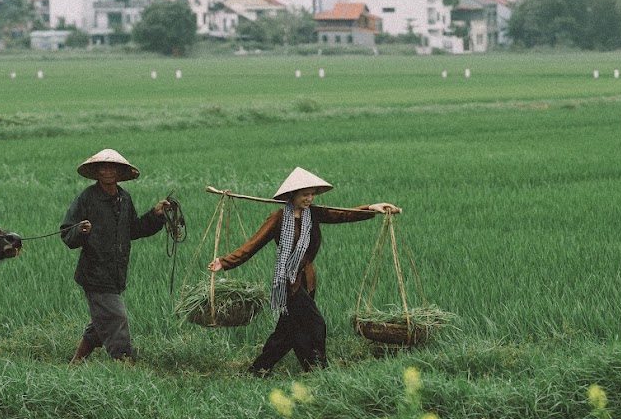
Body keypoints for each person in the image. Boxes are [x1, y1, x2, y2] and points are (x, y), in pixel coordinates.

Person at [208, 167, 399, 376]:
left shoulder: (313, 214)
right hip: (288, 282)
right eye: (304, 194)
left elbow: (342, 214)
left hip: (307, 280)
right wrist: (225, 262)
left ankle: (260, 370)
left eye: (312, 194)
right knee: (316, 324)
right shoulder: (278, 218)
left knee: (288, 331)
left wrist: (372, 207)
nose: (309, 198)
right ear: (293, 195)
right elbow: (254, 244)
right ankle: (320, 369)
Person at [61, 148, 169, 363]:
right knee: (116, 318)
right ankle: (124, 363)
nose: (108, 171)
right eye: (103, 167)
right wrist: (80, 231)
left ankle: (75, 363)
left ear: (121, 173)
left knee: (101, 321)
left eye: (113, 168)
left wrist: (156, 215)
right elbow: (67, 233)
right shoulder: (87, 198)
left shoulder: (124, 198)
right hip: (94, 272)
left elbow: (135, 229)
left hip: (116, 272)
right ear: (96, 171)